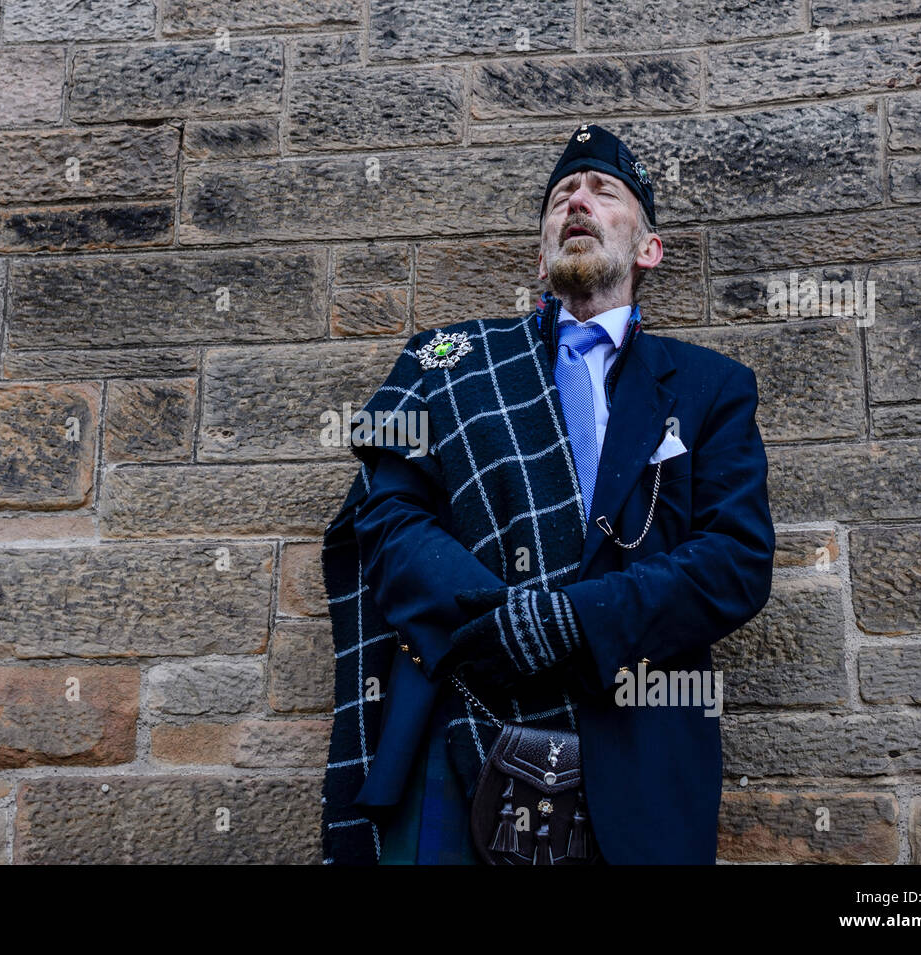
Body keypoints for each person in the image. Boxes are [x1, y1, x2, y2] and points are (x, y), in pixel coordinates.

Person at [320, 124, 775, 865]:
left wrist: (571, 620)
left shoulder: (712, 387)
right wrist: (499, 621)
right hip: (464, 721)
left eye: (605, 192)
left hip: (638, 748)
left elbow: (735, 560)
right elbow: (385, 516)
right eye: (563, 194)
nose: (578, 202)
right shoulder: (443, 358)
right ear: (541, 256)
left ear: (649, 248)